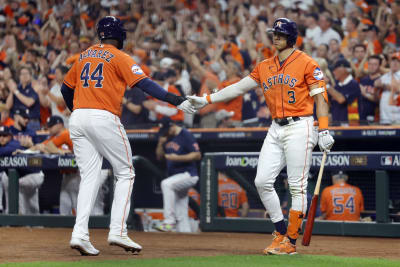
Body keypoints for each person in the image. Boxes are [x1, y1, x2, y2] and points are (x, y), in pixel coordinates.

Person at [188, 18, 334, 255]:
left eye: (280, 34)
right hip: (276, 127)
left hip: (301, 126)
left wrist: (325, 128)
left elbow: (321, 98)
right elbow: (238, 87)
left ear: (291, 37)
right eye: (274, 33)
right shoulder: (265, 65)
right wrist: (206, 100)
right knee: (262, 181)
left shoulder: (307, 63)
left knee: (297, 186)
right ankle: (280, 231)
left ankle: (290, 242)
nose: (275, 37)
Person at [60, 16, 195, 256]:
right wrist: (174, 100)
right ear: (119, 36)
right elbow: (145, 84)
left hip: (78, 117)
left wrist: (79, 112)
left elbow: (64, 88)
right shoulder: (119, 56)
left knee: (90, 176)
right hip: (103, 117)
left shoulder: (84, 55)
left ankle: (79, 234)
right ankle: (118, 230)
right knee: (125, 172)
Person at [154, 117, 201, 233]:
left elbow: (197, 155)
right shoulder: (167, 137)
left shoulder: (186, 135)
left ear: (172, 126)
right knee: (181, 212)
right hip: (176, 178)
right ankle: (186, 235)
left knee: (166, 184)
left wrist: (178, 158)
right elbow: (159, 157)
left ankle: (169, 222)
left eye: (166, 130)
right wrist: (160, 144)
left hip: (188, 174)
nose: (165, 133)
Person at [0, 126, 44, 214]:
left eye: (4, 136)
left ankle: (17, 216)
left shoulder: (14, 144)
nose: (1, 138)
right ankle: (34, 222)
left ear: (10, 136)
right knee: (32, 204)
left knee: (14, 185)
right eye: (0, 136)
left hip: (34, 176)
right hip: (25, 176)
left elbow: (3, 152)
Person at [328, 59, 361, 125]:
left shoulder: (353, 84)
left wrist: (326, 85)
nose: (333, 72)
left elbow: (341, 99)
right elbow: (329, 103)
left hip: (351, 126)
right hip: (336, 124)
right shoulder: (337, 86)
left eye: (335, 70)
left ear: (343, 70)